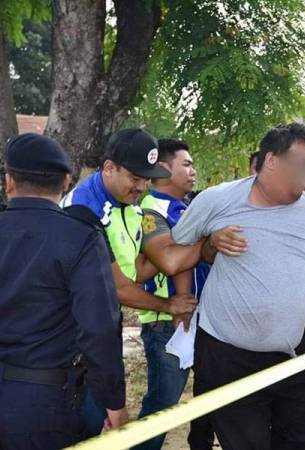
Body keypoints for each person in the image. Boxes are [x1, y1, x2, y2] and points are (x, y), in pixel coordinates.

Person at [0, 133, 127, 450]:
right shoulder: (82, 238)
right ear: (67, 182)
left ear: (9, 181)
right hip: (43, 403)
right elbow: (99, 329)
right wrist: (114, 401)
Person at [171, 122, 305, 450]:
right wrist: (209, 244)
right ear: (271, 161)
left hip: (290, 352)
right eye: (301, 163)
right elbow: (175, 251)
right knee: (246, 442)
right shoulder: (217, 200)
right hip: (229, 354)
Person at [61, 128, 199, 436]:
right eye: (135, 177)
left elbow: (133, 272)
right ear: (109, 168)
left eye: (147, 178)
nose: (141, 186)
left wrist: (177, 241)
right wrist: (169, 304)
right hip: (69, 343)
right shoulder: (85, 209)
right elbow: (117, 286)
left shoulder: (131, 205)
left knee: (96, 420)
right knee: (78, 428)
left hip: (100, 333)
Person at [135, 138, 211, 450]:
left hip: (195, 319)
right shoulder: (153, 209)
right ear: (164, 168)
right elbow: (171, 261)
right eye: (187, 164)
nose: (193, 171)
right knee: (160, 409)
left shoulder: (185, 206)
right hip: (168, 322)